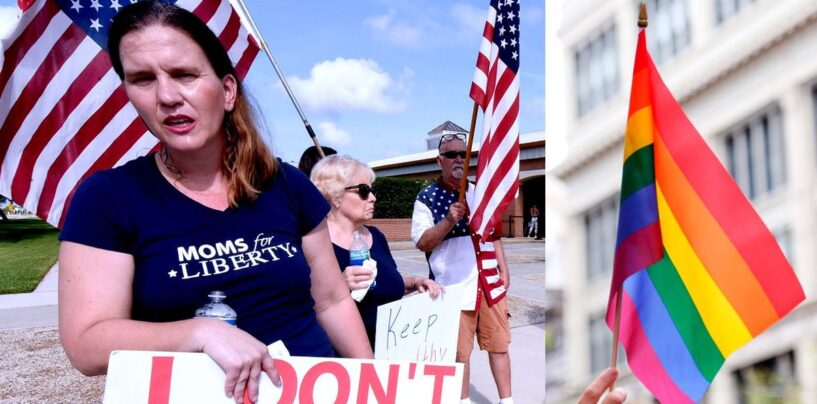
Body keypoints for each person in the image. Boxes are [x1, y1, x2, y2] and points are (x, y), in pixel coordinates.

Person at [57, 3, 371, 404]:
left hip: (311, 392)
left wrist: (371, 382)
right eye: (142, 79)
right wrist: (200, 332)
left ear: (226, 90)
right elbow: (86, 345)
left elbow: (332, 299)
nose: (167, 96)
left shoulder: (286, 182)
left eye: (184, 74)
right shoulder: (108, 198)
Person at [411, 133, 513, 404]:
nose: (458, 159)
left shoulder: (481, 191)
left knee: (500, 347)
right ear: (439, 160)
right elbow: (423, 242)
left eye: (463, 154)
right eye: (451, 154)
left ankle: (507, 401)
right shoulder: (427, 197)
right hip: (452, 288)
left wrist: (504, 269)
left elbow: (494, 234)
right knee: (459, 356)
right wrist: (448, 220)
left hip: (489, 284)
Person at [310, 155, 443, 349]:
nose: (373, 197)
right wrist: (338, 286)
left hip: (391, 352)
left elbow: (384, 282)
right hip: (344, 361)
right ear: (335, 196)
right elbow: (299, 306)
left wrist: (415, 282)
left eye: (372, 190)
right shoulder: (314, 242)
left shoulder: (376, 236)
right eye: (364, 191)